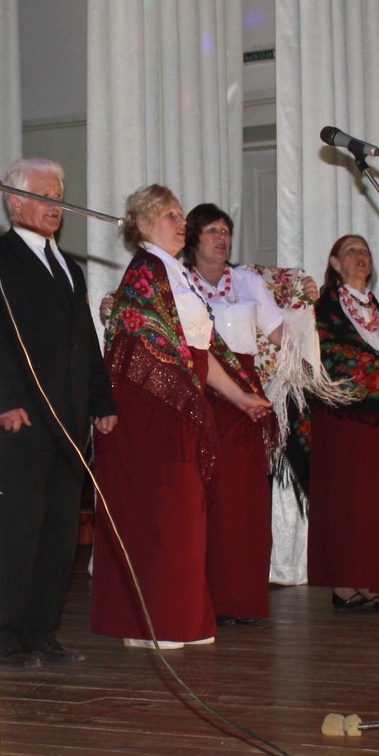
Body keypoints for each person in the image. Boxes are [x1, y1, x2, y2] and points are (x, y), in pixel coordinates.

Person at [91, 186, 271, 649]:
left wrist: (240, 396)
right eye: (170, 214)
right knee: (162, 514)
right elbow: (136, 351)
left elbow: (200, 350)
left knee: (184, 516)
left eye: (180, 215)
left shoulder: (177, 274)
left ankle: (179, 618)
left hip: (178, 406)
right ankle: (155, 625)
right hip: (153, 411)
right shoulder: (145, 273)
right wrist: (187, 396)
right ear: (143, 224)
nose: (180, 222)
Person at [0, 157, 116, 669]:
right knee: (16, 534)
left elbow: (85, 341)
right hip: (20, 420)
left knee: (58, 534)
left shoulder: (69, 266)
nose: (55, 206)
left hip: (69, 422)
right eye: (44, 197)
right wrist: (1, 401)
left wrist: (101, 401)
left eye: (59, 197)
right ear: (15, 202)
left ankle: (41, 633)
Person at [181, 203, 282, 626]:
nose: (222, 238)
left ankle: (243, 599)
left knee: (243, 500)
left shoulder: (248, 281)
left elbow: (280, 334)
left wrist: (305, 304)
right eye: (212, 230)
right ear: (192, 237)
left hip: (244, 400)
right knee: (202, 501)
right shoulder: (177, 281)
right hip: (196, 396)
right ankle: (205, 600)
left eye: (226, 231)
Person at [307, 235, 379, 611]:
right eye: (351, 251)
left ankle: (369, 580)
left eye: (365, 251)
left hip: (378, 417)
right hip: (345, 414)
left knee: (374, 502)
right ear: (335, 263)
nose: (360, 256)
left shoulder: (372, 305)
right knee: (348, 500)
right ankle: (344, 584)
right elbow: (329, 350)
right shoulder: (327, 305)